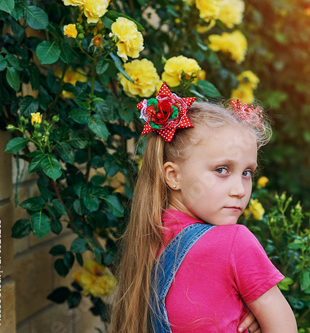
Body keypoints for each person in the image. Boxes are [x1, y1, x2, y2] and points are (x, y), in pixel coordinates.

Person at [110, 83, 297, 333]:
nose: (240, 190)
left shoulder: (146, 242)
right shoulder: (235, 243)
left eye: (247, 173)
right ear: (173, 176)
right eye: (222, 170)